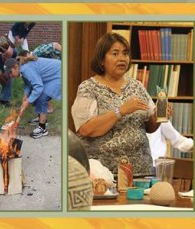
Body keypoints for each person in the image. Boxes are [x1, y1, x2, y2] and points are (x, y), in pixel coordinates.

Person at [71, 32, 169, 177]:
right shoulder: (88, 88)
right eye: (115, 54)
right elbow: (85, 129)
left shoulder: (137, 86)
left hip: (141, 171)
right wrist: (120, 111)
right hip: (104, 175)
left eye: (125, 53)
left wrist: (158, 116)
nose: (122, 58)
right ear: (101, 60)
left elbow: (149, 127)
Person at [4, 51, 61, 139]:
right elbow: (28, 83)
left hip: (58, 74)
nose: (10, 76)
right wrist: (26, 95)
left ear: (15, 67)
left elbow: (38, 87)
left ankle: (43, 128)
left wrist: (28, 101)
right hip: (51, 75)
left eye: (10, 72)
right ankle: (41, 117)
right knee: (33, 95)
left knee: (42, 97)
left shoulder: (26, 69)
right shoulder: (21, 67)